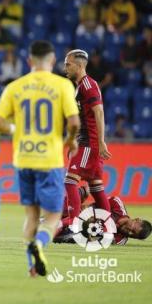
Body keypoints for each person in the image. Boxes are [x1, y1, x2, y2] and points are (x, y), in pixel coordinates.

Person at [0, 40, 80, 278]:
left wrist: (15, 130)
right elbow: (74, 123)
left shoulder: (15, 87)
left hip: (24, 159)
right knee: (51, 217)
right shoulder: (63, 86)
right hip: (50, 160)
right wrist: (70, 140)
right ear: (52, 61)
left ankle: (31, 267)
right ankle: (40, 244)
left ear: (29, 61)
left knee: (31, 216)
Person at [62, 49, 112, 224]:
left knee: (69, 182)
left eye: (68, 64)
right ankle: (108, 229)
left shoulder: (88, 85)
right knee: (96, 188)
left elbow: (99, 112)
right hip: (87, 143)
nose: (65, 67)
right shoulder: (81, 86)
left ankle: (73, 225)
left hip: (89, 144)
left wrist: (100, 141)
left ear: (80, 65)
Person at [55, 186, 152, 245]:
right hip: (77, 210)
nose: (129, 233)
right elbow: (98, 201)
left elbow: (95, 240)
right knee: (86, 190)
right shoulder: (117, 205)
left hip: (80, 229)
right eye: (132, 229)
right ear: (137, 219)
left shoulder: (120, 240)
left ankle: (58, 228)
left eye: (133, 236)